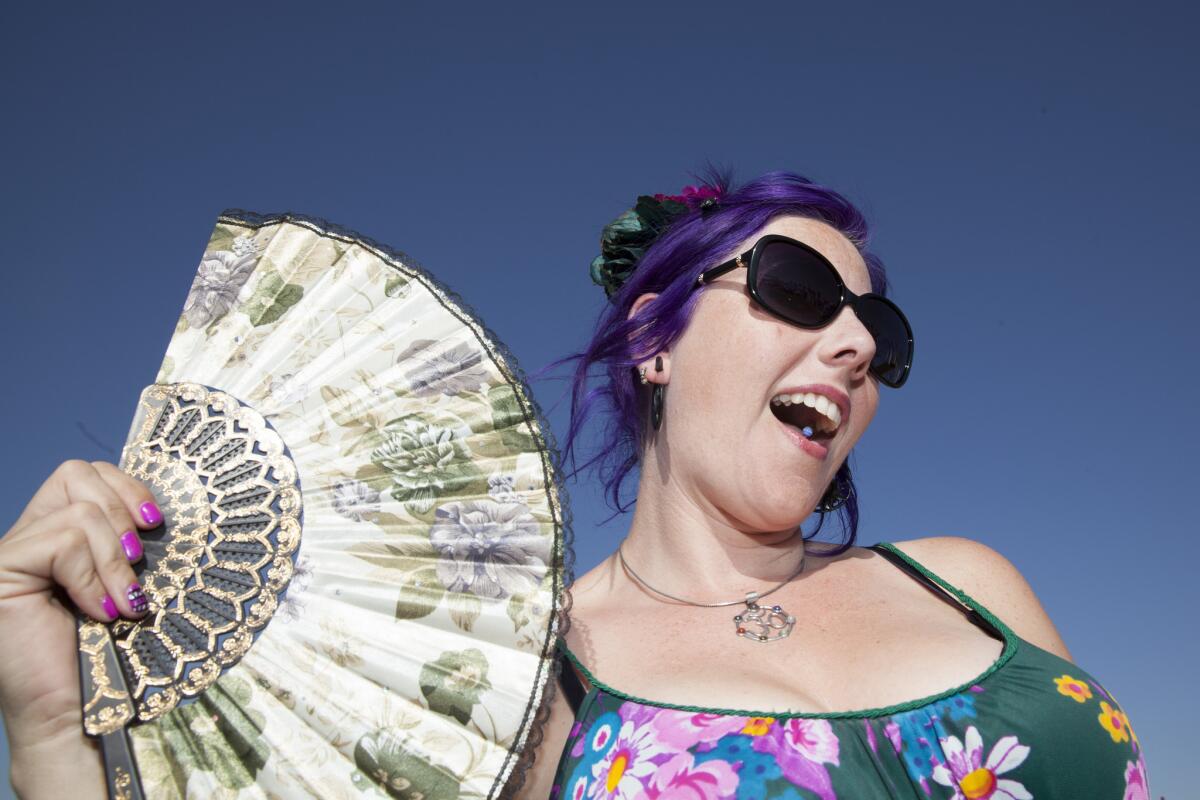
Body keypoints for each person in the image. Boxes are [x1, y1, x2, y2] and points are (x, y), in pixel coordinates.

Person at [0, 170, 1149, 800]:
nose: (852, 346)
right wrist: (49, 731)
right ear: (654, 334)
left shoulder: (965, 582)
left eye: (880, 331)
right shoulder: (530, 686)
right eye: (797, 288)